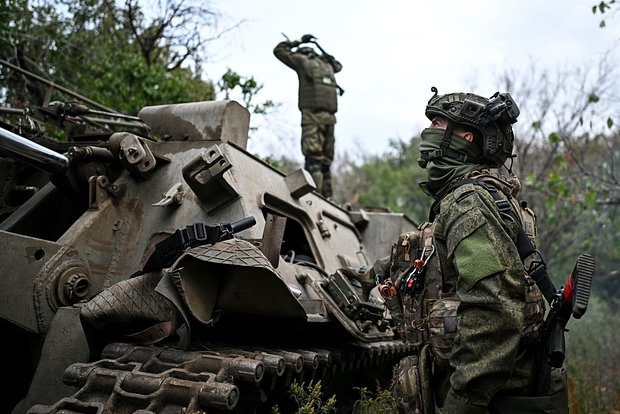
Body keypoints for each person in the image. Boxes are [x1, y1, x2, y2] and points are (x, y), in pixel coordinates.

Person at [385, 88, 568, 413]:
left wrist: (462, 404)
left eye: (438, 124)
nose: (428, 132)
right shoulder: (486, 197)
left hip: (494, 401)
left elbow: (493, 312)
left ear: (465, 136)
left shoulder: (469, 203)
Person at [274, 34, 343, 198]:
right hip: (313, 116)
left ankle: (324, 198)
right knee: (316, 161)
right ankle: (316, 197)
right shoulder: (305, 61)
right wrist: (300, 41)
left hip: (327, 117)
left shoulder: (322, 63)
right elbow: (278, 51)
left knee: (323, 162)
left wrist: (304, 44)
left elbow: (339, 66)